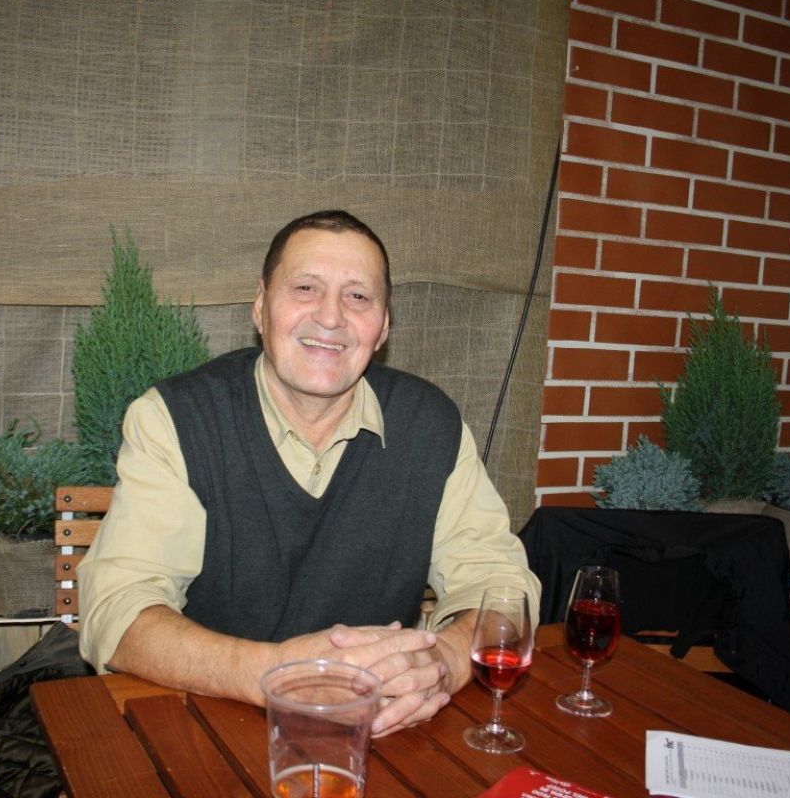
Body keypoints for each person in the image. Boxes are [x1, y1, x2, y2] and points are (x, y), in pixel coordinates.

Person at [78, 209, 540, 737]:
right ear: (260, 306)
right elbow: (118, 613)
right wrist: (277, 673)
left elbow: (503, 586)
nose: (331, 316)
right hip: (204, 725)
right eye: (305, 288)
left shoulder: (431, 426)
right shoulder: (177, 420)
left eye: (358, 296)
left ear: (384, 326)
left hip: (383, 730)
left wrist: (446, 661)